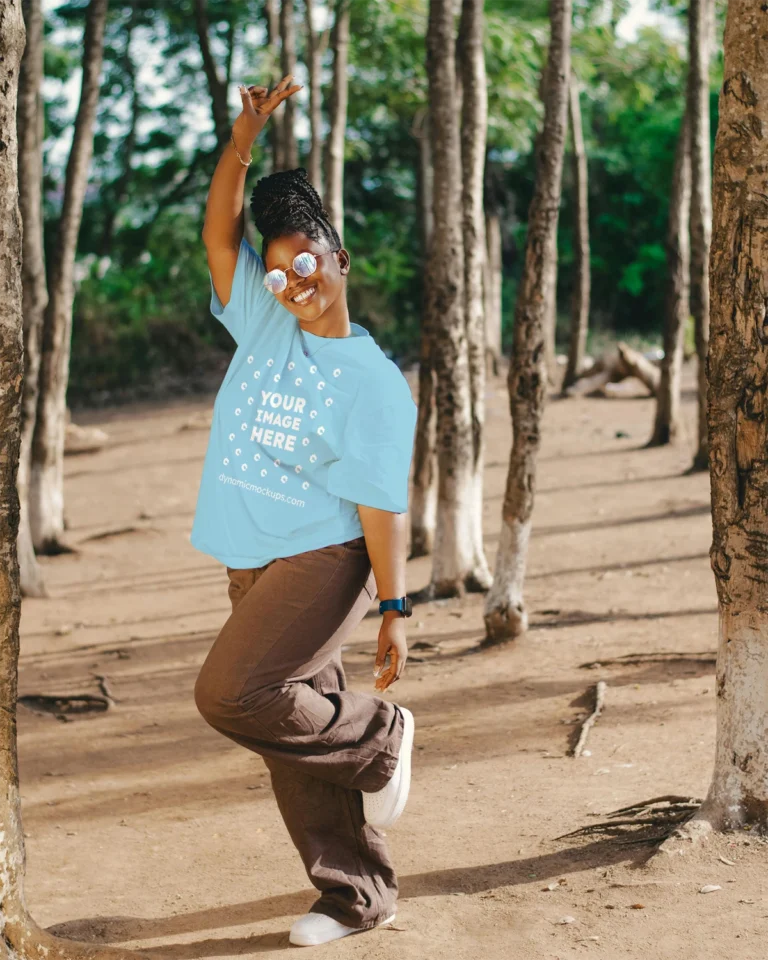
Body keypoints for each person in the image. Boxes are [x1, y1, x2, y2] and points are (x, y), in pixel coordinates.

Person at [189, 74, 418, 948]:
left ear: (341, 259)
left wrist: (394, 607)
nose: (292, 282)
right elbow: (218, 230)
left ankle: (381, 739)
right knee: (291, 720)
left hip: (326, 558)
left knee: (235, 693)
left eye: (307, 263)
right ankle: (355, 895)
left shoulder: (371, 381)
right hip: (252, 552)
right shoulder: (263, 322)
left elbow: (378, 502)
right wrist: (244, 137)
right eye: (278, 270)